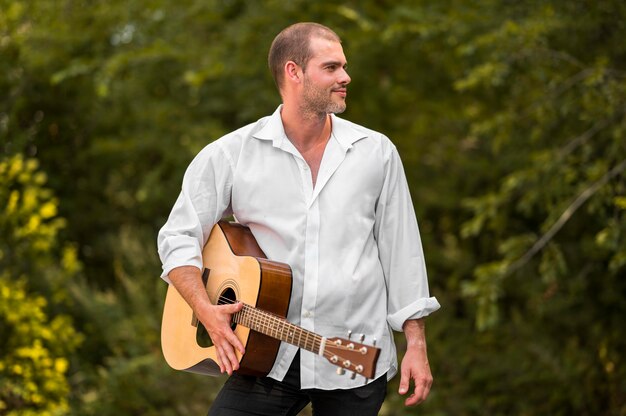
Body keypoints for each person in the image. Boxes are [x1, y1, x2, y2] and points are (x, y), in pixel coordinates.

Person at [157, 22, 440, 415]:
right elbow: (178, 237)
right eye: (331, 67)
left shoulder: (376, 152)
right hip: (265, 355)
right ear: (294, 72)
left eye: (343, 66)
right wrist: (206, 309)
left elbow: (402, 252)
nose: (346, 77)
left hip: (354, 361)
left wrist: (416, 345)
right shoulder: (231, 154)